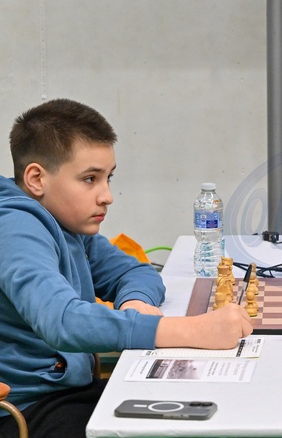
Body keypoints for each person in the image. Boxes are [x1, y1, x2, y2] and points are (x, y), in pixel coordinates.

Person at [0, 99, 253, 438]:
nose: (107, 196)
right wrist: (191, 330)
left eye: (108, 178)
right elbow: (62, 320)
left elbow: (137, 273)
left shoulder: (67, 223)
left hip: (68, 392)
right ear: (36, 178)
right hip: (25, 410)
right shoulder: (15, 228)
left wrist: (134, 301)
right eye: (90, 179)